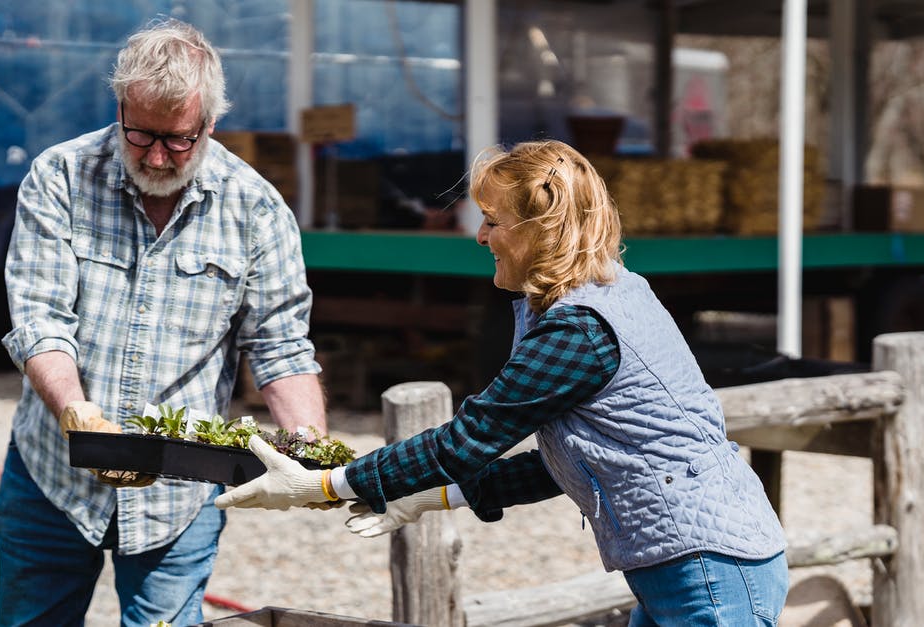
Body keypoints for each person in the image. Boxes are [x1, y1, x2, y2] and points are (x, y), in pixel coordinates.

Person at [215, 140, 789, 626]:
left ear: (540, 231)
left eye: (493, 221)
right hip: (699, 562)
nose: (480, 236)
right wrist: (429, 495)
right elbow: (572, 461)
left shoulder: (581, 331)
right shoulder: (613, 293)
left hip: (707, 571)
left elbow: (465, 440)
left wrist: (325, 484)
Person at [0, 18, 326, 626]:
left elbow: (280, 346)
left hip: (179, 495)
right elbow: (40, 317)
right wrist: (76, 410)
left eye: (178, 140)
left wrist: (308, 454)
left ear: (210, 124)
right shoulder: (60, 177)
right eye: (141, 134)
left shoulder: (254, 206)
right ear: (120, 106)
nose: (156, 155)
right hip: (52, 483)